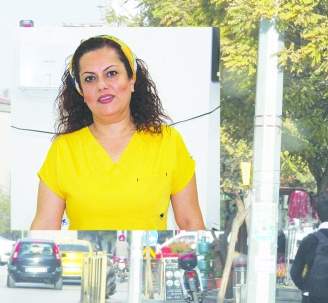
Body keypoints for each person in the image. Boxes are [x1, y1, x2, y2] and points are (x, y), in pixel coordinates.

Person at [31, 35, 205, 230]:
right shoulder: (63, 150)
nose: (101, 85)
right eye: (90, 78)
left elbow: (191, 223)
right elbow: (45, 226)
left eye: (111, 73)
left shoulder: (168, 141)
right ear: (81, 92)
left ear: (131, 80)